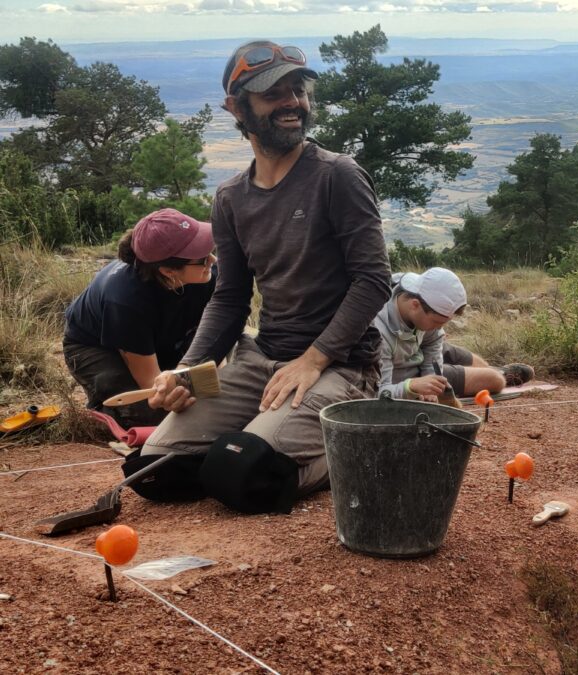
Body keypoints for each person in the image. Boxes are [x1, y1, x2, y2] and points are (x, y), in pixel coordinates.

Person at [127, 40, 391, 514]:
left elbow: (373, 280)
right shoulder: (231, 197)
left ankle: (359, 435)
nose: (293, 102)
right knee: (155, 469)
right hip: (262, 358)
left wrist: (313, 360)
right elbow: (229, 298)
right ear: (236, 107)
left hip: (340, 365)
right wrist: (188, 369)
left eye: (298, 90)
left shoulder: (337, 175)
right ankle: (265, 437)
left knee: (244, 475)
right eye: (274, 93)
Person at [63, 208, 217, 429]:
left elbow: (216, 339)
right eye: (203, 258)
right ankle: (100, 414)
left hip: (164, 339)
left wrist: (213, 382)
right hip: (96, 346)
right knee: (153, 414)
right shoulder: (125, 299)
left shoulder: (206, 274)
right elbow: (152, 384)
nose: (213, 259)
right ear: (168, 271)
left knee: (209, 400)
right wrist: (171, 394)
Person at [376, 268, 511, 400]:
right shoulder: (378, 334)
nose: (441, 328)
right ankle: (506, 375)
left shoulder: (422, 302)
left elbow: (434, 341)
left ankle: (504, 370)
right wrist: (410, 387)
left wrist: (432, 384)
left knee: (479, 363)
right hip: (404, 377)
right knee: (495, 380)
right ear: (415, 305)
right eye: (437, 322)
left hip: (419, 348)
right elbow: (378, 393)